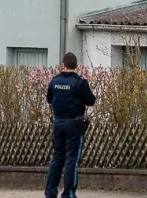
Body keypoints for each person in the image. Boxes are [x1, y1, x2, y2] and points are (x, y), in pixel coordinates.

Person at [44, 52, 96, 198]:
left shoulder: (54, 81)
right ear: (76, 66)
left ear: (63, 65)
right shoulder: (79, 82)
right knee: (71, 159)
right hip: (74, 124)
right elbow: (91, 101)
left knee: (57, 157)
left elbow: (49, 99)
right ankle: (68, 193)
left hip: (58, 122)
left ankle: (50, 193)